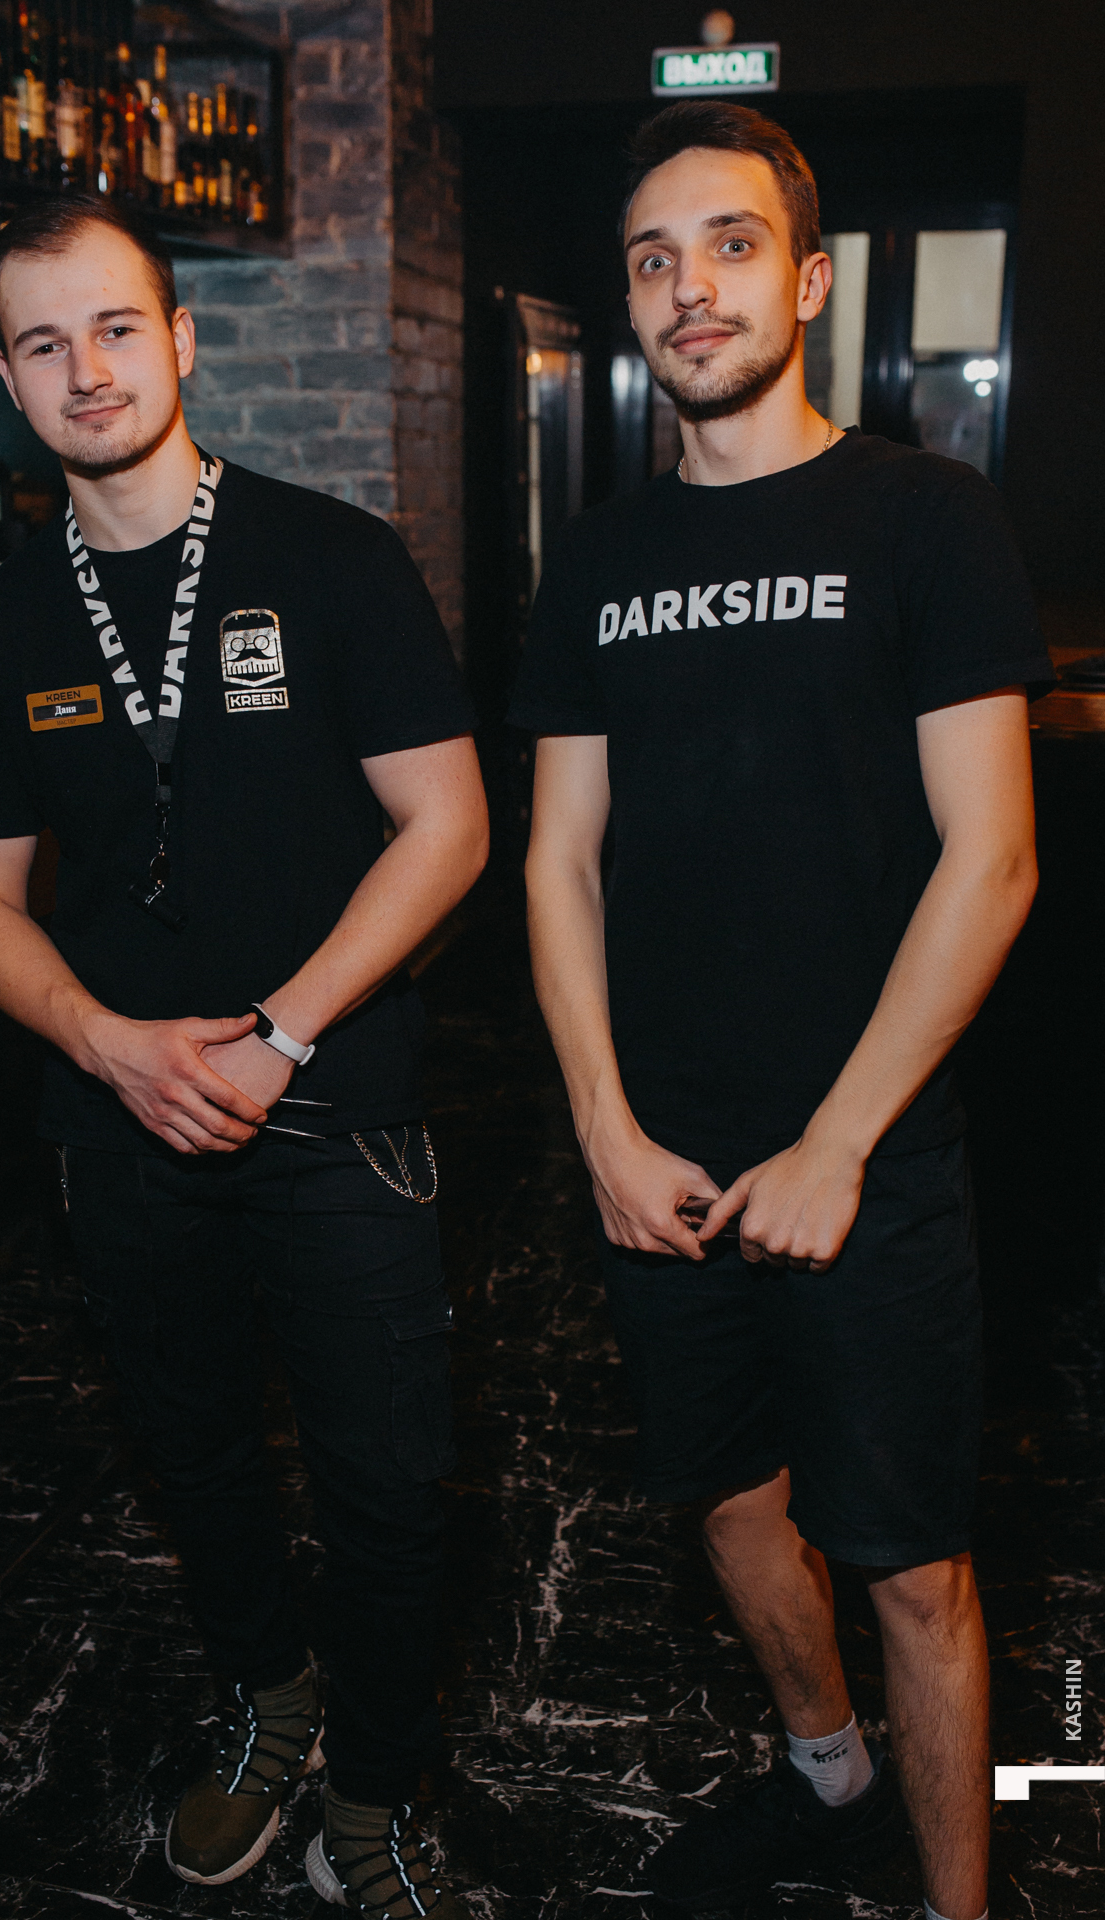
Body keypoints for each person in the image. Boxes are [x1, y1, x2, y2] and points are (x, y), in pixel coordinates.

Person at [511, 102, 1050, 1920]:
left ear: (807, 282)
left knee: (908, 1563)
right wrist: (600, 1126)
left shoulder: (925, 517)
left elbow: (991, 862)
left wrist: (838, 1142)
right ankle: (826, 1777)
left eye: (729, 245)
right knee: (731, 1501)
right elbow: (556, 861)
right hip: (662, 1154)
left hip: (867, 1157)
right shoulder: (594, 561)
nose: (689, 286)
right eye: (652, 259)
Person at [0, 194, 486, 1916]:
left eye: (115, 327)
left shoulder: (332, 561)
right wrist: (104, 1044)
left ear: (178, 340)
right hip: (120, 1125)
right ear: (11, 384)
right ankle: (270, 1699)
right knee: (196, 1461)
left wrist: (284, 1034)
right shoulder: (0, 625)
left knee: (388, 1484)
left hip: (335, 1110)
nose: (86, 369)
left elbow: (449, 828)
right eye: (43, 343)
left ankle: (376, 1786)